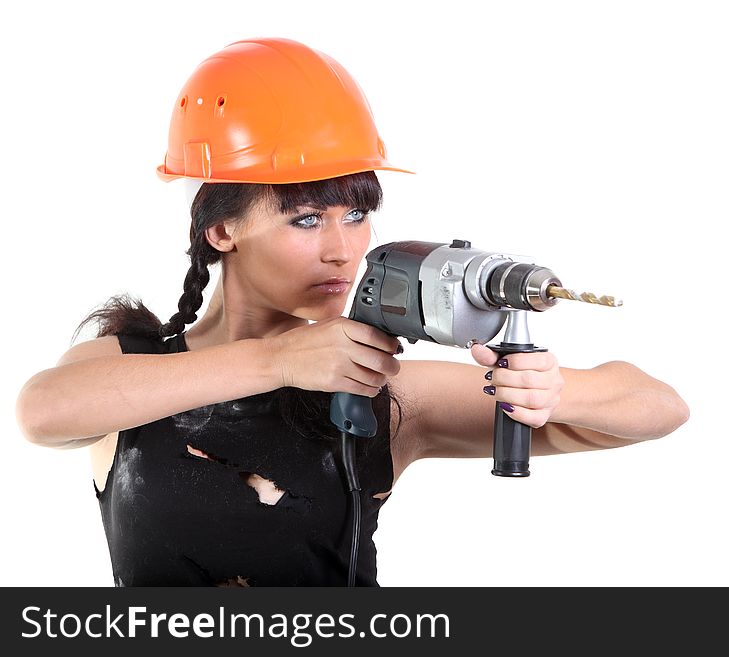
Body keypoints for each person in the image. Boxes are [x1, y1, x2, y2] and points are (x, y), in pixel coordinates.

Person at [15, 38, 689, 587]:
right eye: (306, 218)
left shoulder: (374, 392)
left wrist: (559, 390)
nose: (343, 250)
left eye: (358, 214)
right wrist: (275, 358)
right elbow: (42, 411)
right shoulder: (133, 372)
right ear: (220, 231)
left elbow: (657, 406)